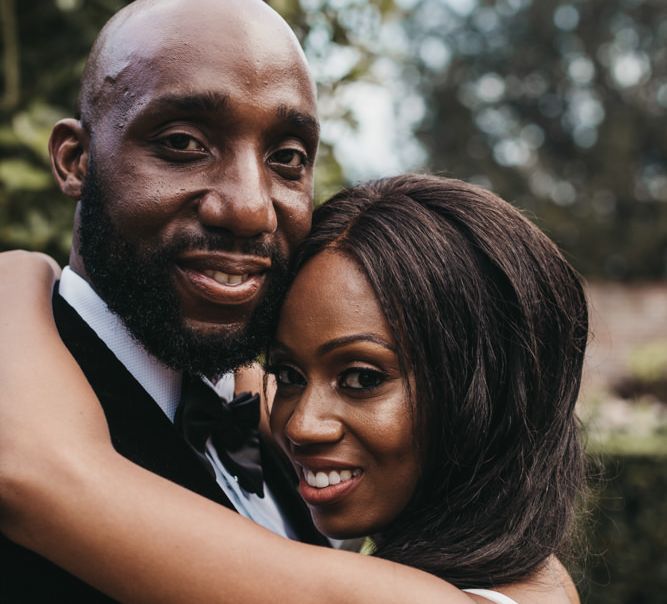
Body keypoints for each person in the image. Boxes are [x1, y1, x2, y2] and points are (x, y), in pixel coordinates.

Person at [0, 175, 588, 603]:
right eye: (289, 376)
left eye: (361, 379)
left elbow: (38, 473)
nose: (302, 424)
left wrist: (24, 274)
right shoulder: (524, 572)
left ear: (485, 391)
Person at [0, 0, 327, 600]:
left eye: (286, 158)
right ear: (75, 160)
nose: (251, 208)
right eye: (182, 142)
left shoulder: (289, 441)